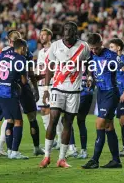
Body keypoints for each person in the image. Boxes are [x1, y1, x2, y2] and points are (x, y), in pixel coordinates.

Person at [39, 22, 91, 168]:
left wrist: (90, 76)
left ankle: (61, 158)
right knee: (53, 119)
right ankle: (47, 156)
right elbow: (50, 68)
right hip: (57, 88)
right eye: (65, 29)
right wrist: (46, 89)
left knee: (68, 123)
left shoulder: (84, 46)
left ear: (75, 32)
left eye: (70, 30)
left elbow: (88, 63)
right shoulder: (55, 45)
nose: (67, 32)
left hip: (74, 90)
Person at [82, 33, 124, 169]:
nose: (93, 51)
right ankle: (116, 161)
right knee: (109, 126)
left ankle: (94, 160)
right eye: (91, 48)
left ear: (101, 44)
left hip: (111, 93)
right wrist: (90, 79)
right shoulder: (91, 56)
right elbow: (91, 71)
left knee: (99, 124)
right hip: (100, 92)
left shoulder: (111, 56)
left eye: (96, 48)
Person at [0, 30, 44, 156]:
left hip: (8, 87)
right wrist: (36, 89)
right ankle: (36, 147)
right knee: (32, 117)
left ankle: (4, 148)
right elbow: (31, 74)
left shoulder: (3, 53)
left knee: (9, 119)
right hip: (23, 87)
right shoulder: (26, 53)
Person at [36, 28, 63, 150]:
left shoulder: (55, 49)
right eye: (40, 35)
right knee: (43, 111)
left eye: (44, 35)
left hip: (52, 84)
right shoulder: (41, 51)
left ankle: (61, 139)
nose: (41, 37)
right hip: (41, 85)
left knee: (54, 113)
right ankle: (51, 139)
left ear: (49, 36)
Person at [66, 64, 94, 159]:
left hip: (78, 92)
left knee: (67, 120)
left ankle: (72, 148)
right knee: (81, 121)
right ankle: (83, 150)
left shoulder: (72, 58)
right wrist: (90, 78)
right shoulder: (90, 58)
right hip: (88, 92)